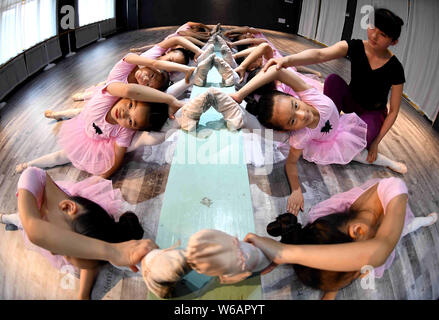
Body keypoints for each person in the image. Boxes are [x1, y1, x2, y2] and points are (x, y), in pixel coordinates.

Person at [230, 65, 407, 215]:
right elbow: (291, 164)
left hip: (341, 126)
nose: (303, 114)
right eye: (293, 121)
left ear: (295, 97)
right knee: (360, 155)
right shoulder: (301, 136)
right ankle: (388, 162)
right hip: (326, 143)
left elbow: (278, 71)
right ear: (288, 129)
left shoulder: (310, 95)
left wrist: (241, 94)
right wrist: (296, 190)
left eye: (296, 106)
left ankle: (386, 160)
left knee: (360, 144)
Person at [245, 177, 438, 299]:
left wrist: (285, 252)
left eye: (351, 274)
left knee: (407, 227)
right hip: (364, 225)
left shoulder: (395, 188)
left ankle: (423, 221)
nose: (359, 274)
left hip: (389, 220)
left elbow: (377, 252)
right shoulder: (337, 230)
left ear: (358, 232)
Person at [263, 8, 406, 164]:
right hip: (351, 100)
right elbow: (320, 54)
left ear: (394, 42)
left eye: (383, 35)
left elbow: (393, 111)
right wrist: (286, 60)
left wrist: (376, 142)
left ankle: (346, 132)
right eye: (372, 28)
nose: (374, 36)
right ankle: (330, 119)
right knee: (332, 80)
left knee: (359, 141)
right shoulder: (356, 46)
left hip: (372, 112)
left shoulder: (395, 68)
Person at [0, 167, 157, 299]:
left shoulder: (66, 224)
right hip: (38, 213)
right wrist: (113, 251)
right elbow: (35, 231)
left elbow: (89, 260)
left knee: (31, 226)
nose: (54, 253)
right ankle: (5, 217)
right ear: (68, 207)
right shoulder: (32, 176)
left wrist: (83, 296)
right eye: (66, 252)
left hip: (47, 218)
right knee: (21, 221)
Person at [16, 80, 183, 178]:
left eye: (131, 121)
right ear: (129, 97)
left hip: (91, 141)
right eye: (131, 104)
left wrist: (104, 176)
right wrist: (169, 99)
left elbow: (118, 157)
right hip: (83, 123)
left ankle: (29, 165)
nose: (125, 114)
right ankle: (57, 114)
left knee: (62, 155)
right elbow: (129, 89)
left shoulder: (123, 130)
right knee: (77, 112)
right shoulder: (109, 94)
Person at [69, 36, 203, 102]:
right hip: (118, 76)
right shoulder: (151, 58)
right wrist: (197, 51)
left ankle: (90, 93)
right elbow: (175, 40)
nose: (169, 68)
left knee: (99, 94)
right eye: (170, 60)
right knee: (103, 85)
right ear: (166, 53)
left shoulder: (158, 79)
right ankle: (92, 90)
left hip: (117, 86)